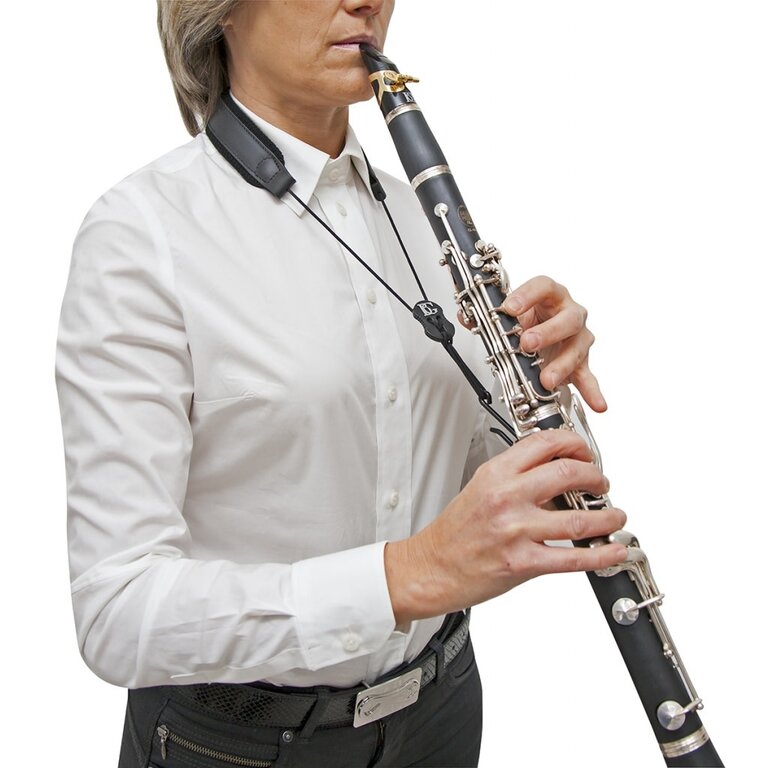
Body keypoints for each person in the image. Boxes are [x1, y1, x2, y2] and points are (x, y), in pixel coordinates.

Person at [56, 1, 628, 766]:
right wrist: (406, 575)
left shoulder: (425, 220)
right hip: (234, 743)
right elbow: (115, 613)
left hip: (441, 712)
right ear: (220, 12)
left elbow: (509, 491)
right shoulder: (139, 236)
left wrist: (550, 394)